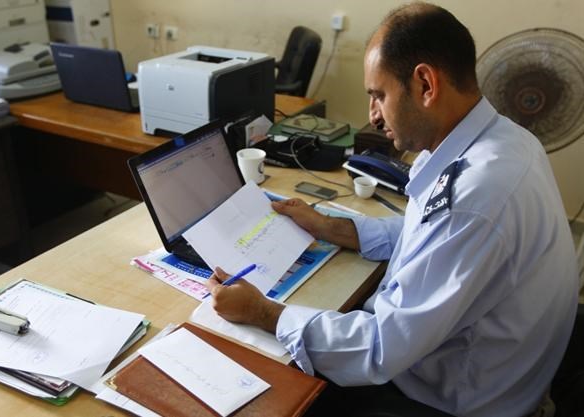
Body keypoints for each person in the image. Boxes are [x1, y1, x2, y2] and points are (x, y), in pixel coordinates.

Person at [205, 3, 580, 417]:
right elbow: (428, 233)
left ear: (425, 84)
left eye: (378, 96)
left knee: (261, 383)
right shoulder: (506, 142)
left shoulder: (475, 195)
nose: (372, 116)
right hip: (481, 372)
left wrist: (263, 312)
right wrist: (333, 227)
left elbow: (380, 348)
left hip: (449, 402)